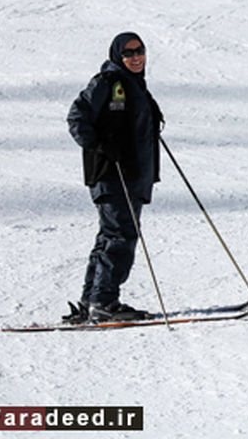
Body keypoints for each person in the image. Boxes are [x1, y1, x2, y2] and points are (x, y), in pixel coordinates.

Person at [66, 32, 164, 323]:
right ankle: (104, 301)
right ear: (117, 56)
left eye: (139, 51)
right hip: (113, 174)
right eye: (128, 53)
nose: (135, 57)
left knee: (110, 236)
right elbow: (76, 117)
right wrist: (97, 145)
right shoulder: (107, 82)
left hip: (132, 175)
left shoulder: (135, 85)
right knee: (121, 235)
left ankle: (92, 299)